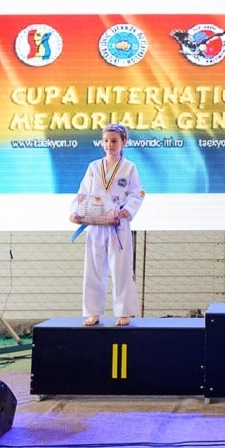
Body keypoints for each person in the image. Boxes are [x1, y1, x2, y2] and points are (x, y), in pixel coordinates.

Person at [70, 123, 145, 327]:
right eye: (106, 141)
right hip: (95, 225)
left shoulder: (129, 168)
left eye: (114, 141)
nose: (109, 145)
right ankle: (93, 312)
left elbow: (136, 194)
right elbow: (82, 192)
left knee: (121, 269)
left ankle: (124, 312)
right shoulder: (94, 167)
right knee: (93, 269)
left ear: (124, 142)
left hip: (117, 226)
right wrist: (75, 212)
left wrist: (127, 210)